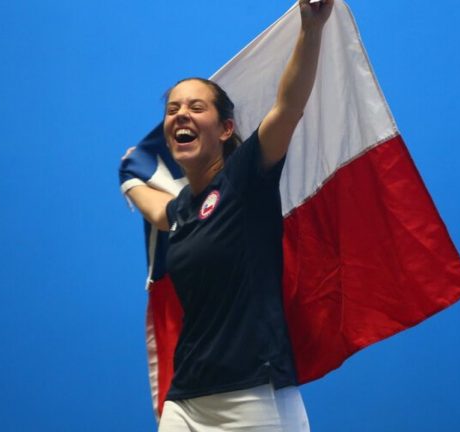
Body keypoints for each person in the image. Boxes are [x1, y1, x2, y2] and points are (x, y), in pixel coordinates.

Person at [124, 1, 333, 430]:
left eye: (196, 107)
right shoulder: (183, 207)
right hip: (185, 400)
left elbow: (288, 107)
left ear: (225, 129)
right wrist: (129, 178)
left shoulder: (246, 180)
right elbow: (157, 210)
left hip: (252, 397)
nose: (181, 113)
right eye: (173, 109)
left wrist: (311, 28)